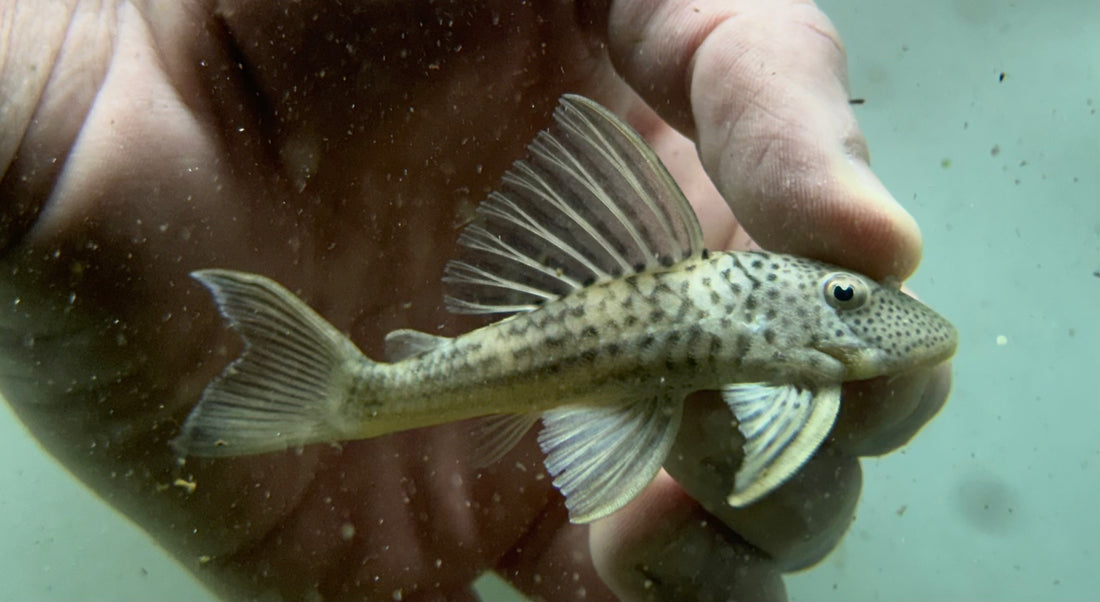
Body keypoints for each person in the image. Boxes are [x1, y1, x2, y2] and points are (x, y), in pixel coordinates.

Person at [0, 1, 952, 600]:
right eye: (839, 295)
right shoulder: (788, 362)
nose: (852, 308)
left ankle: (354, 392)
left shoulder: (793, 366)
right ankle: (353, 391)